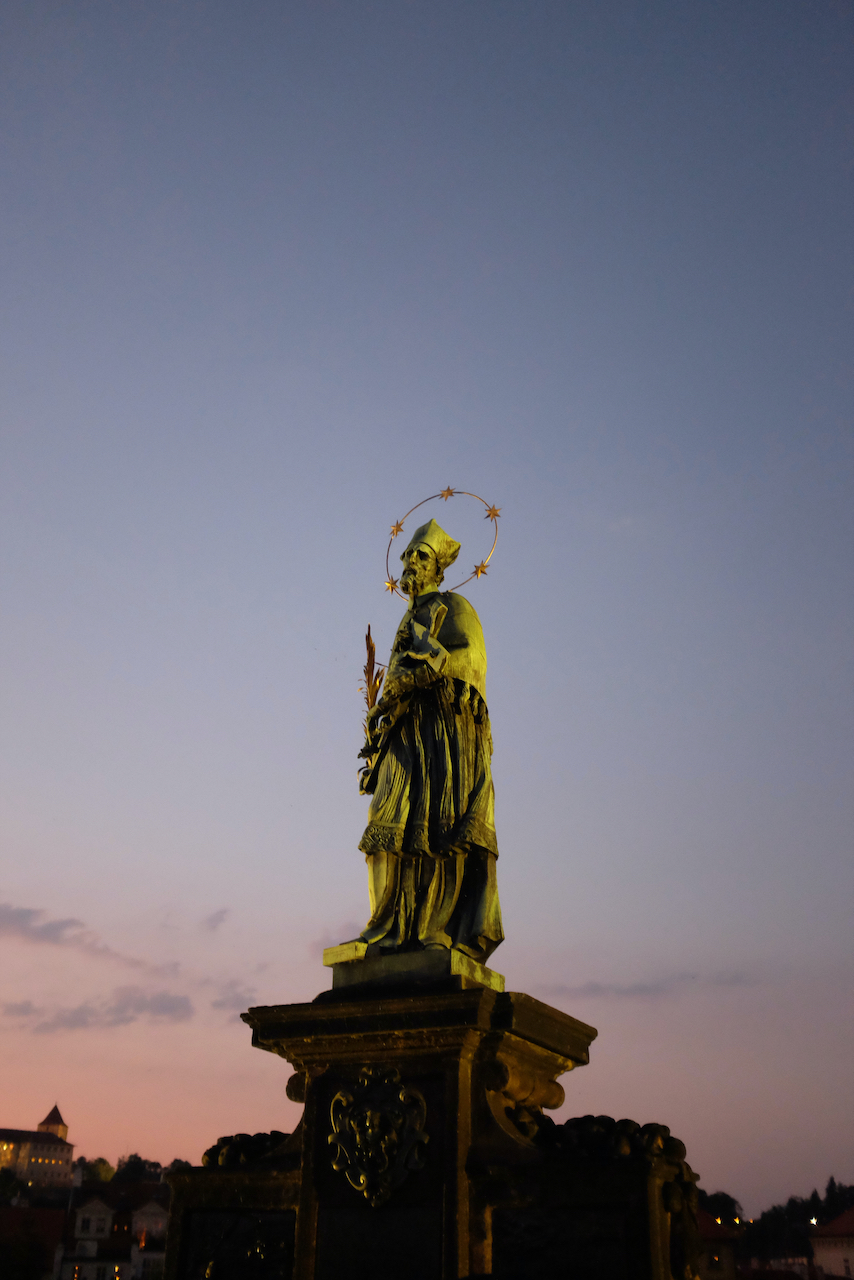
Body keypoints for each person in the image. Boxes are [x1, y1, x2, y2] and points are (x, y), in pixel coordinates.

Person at [358, 519, 504, 962]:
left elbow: (471, 660)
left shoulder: (454, 606)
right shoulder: (406, 618)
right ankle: (385, 925)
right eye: (407, 555)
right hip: (406, 731)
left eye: (421, 556)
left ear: (439, 568)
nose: (411, 562)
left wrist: (426, 667)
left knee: (442, 825)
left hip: (443, 730)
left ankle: (434, 927)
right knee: (386, 818)